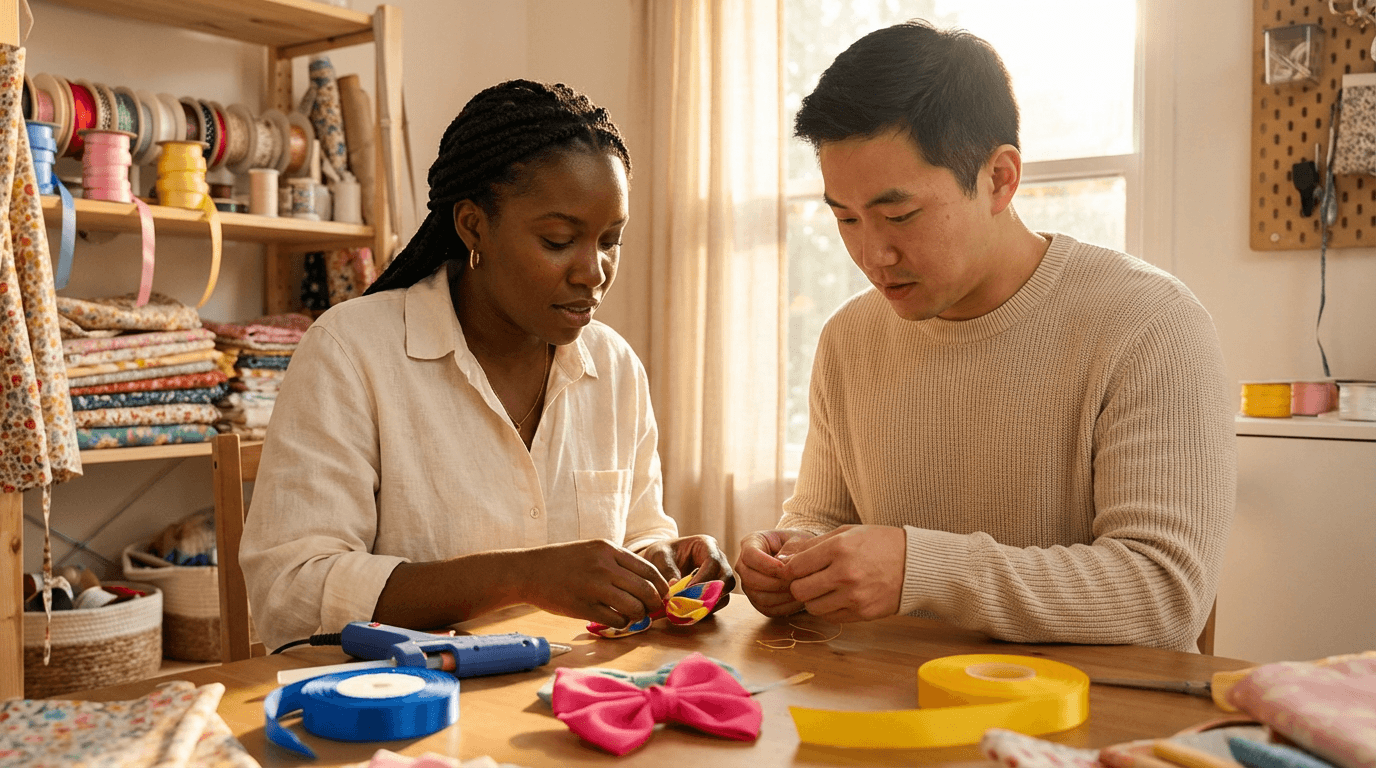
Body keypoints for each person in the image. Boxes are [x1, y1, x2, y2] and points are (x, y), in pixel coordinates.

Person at [735, 21, 1235, 652]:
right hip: (890, 696)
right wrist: (792, 561)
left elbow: (1164, 597)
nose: (872, 254)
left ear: (1000, 178)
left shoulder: (1149, 323)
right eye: (846, 219)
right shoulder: (850, 337)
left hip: (1087, 706)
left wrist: (924, 569)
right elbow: (824, 519)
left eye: (899, 215)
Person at [241, 80, 732, 653]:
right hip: (406, 699)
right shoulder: (351, 352)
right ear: (474, 226)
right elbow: (292, 591)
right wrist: (522, 577)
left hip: (563, 697)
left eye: (610, 240)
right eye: (558, 240)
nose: (593, 271)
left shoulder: (614, 366)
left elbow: (638, 531)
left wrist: (662, 560)